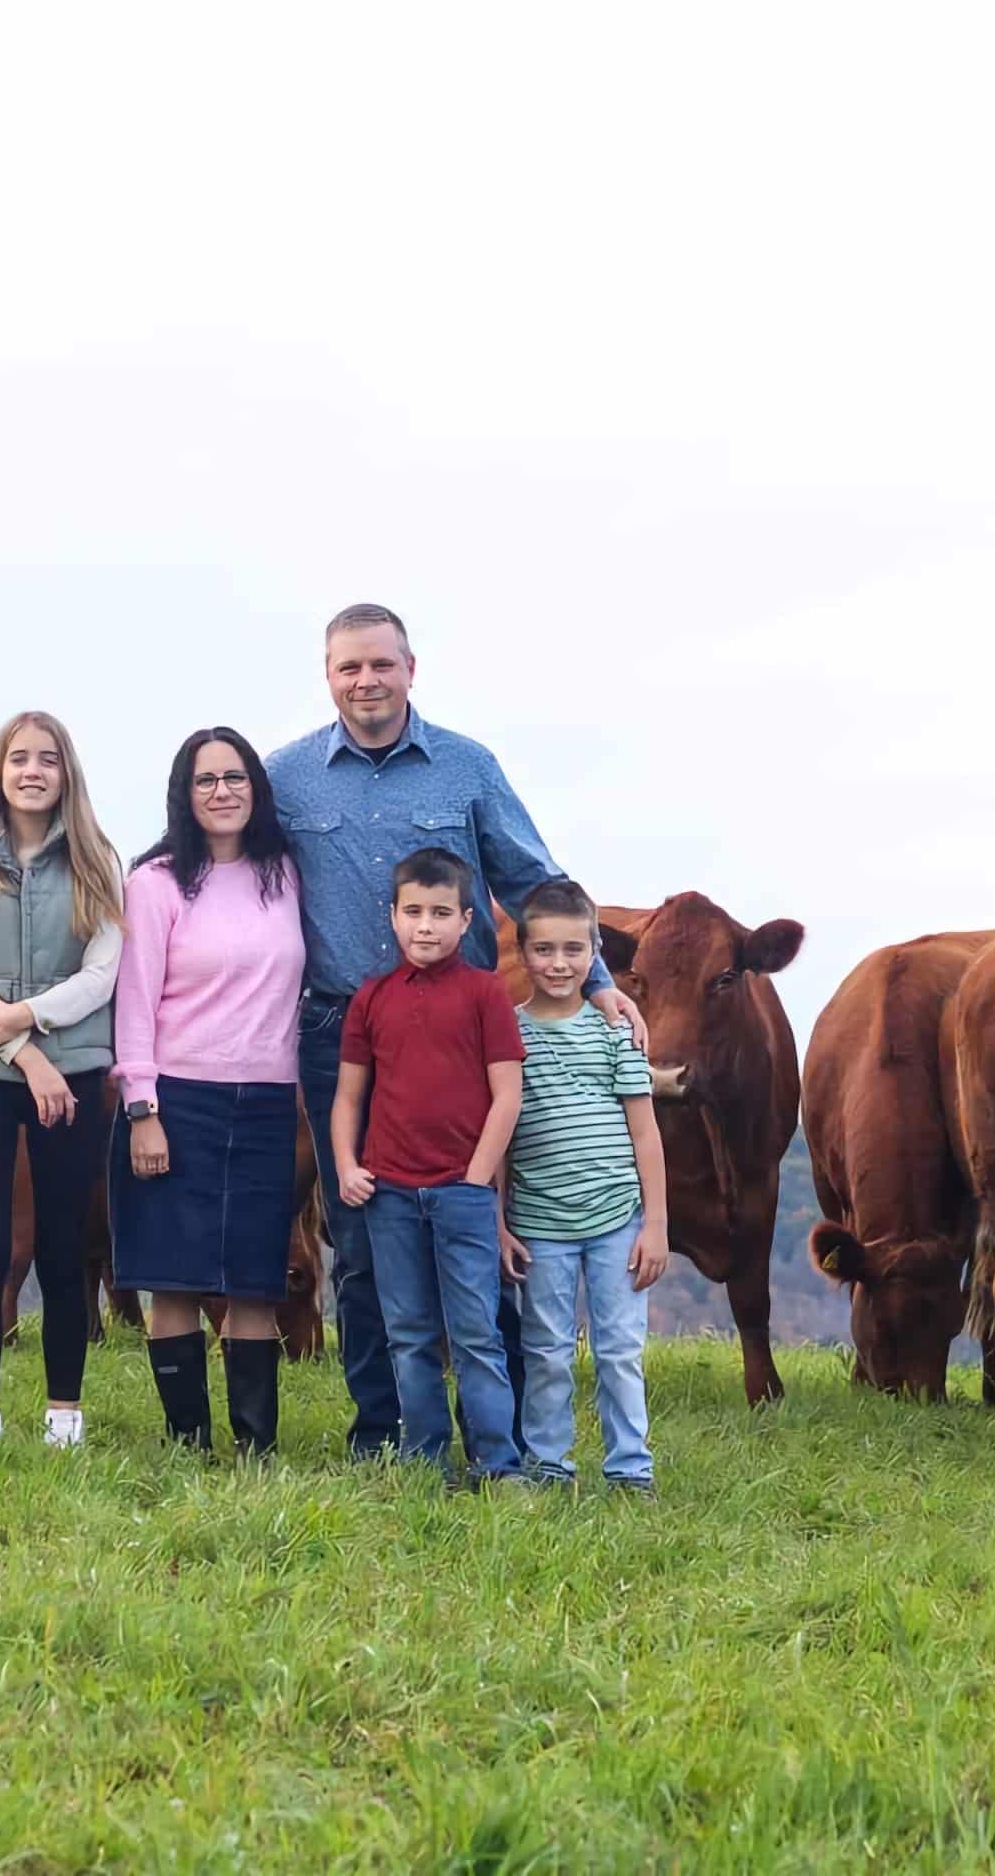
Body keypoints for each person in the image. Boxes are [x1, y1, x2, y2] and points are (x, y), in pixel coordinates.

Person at [266, 602, 646, 1460]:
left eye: (381, 665)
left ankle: (501, 1433)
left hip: (461, 1040)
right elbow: (231, 868)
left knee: (480, 1230)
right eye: (348, 668)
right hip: (341, 1034)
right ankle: (383, 1432)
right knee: (359, 1238)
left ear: (410, 668)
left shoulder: (466, 768)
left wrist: (598, 984)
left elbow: (532, 878)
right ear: (327, 675)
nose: (366, 681)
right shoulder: (287, 776)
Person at [0, 711, 123, 1448]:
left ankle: (64, 1411)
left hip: (74, 1067)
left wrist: (32, 1019)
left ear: (66, 773)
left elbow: (102, 974)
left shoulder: (101, 862)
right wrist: (27, 1054)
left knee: (62, 1245)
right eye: (19, 759)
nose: (33, 771)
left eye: (48, 759)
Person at [112, 727, 305, 1458]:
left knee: (255, 1280)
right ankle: (186, 1439)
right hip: (177, 1101)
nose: (222, 792)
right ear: (184, 796)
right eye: (206, 780)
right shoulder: (156, 882)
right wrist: (142, 1110)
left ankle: (256, 1447)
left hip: (265, 1102)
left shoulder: (285, 874)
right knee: (177, 1281)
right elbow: (134, 1005)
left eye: (235, 777)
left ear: (255, 788)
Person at [330, 848, 526, 1480]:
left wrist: (476, 1178)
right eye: (412, 911)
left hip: (461, 1194)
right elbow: (349, 1096)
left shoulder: (484, 994)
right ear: (391, 916)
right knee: (409, 1336)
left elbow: (508, 1094)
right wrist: (345, 1164)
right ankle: (427, 1462)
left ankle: (499, 1464)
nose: (425, 926)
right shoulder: (371, 999)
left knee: (476, 1335)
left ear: (467, 920)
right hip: (386, 1193)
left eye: (441, 913)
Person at [498, 879, 669, 1494]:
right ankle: (548, 1467)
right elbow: (498, 1137)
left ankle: (630, 1470)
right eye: (543, 950)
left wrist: (656, 1225)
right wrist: (499, 1222)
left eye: (573, 950)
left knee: (620, 1350)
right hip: (539, 1224)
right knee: (544, 1352)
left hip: (616, 1220)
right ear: (522, 954)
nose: (559, 964)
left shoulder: (615, 1034)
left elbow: (645, 1136)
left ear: (593, 950)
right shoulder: (508, 1038)